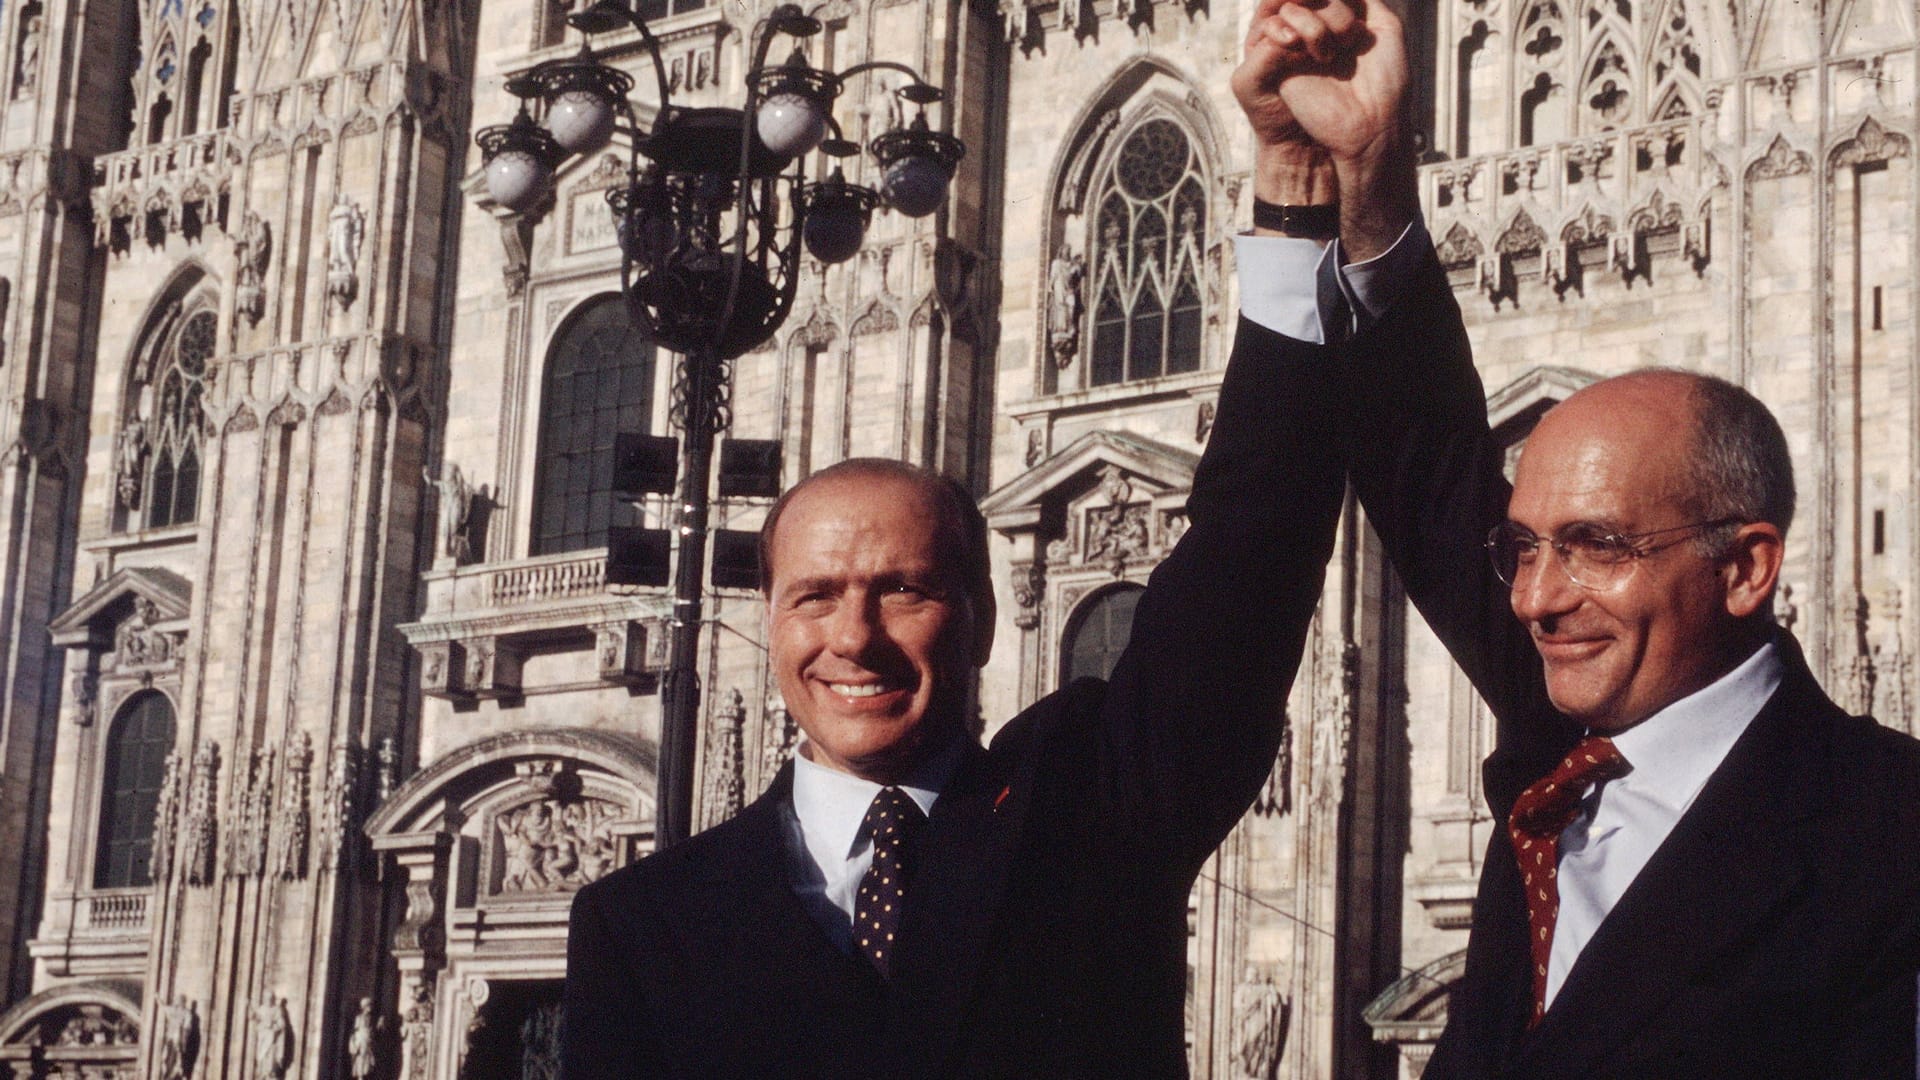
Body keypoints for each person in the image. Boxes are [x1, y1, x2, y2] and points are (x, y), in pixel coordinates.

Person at [1231, 2, 1920, 1075]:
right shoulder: (1564, 747)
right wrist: (1367, 179)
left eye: (1597, 545)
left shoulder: (1886, 833)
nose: (1537, 597)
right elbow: (1428, 468)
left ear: (1745, 568)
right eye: (1524, 548)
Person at [559, 250, 1359, 1071]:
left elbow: (1251, 560)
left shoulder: (1094, 816)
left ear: (982, 619)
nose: (854, 637)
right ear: (771, 624)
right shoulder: (644, 921)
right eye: (815, 596)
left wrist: (1293, 220)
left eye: (905, 591)